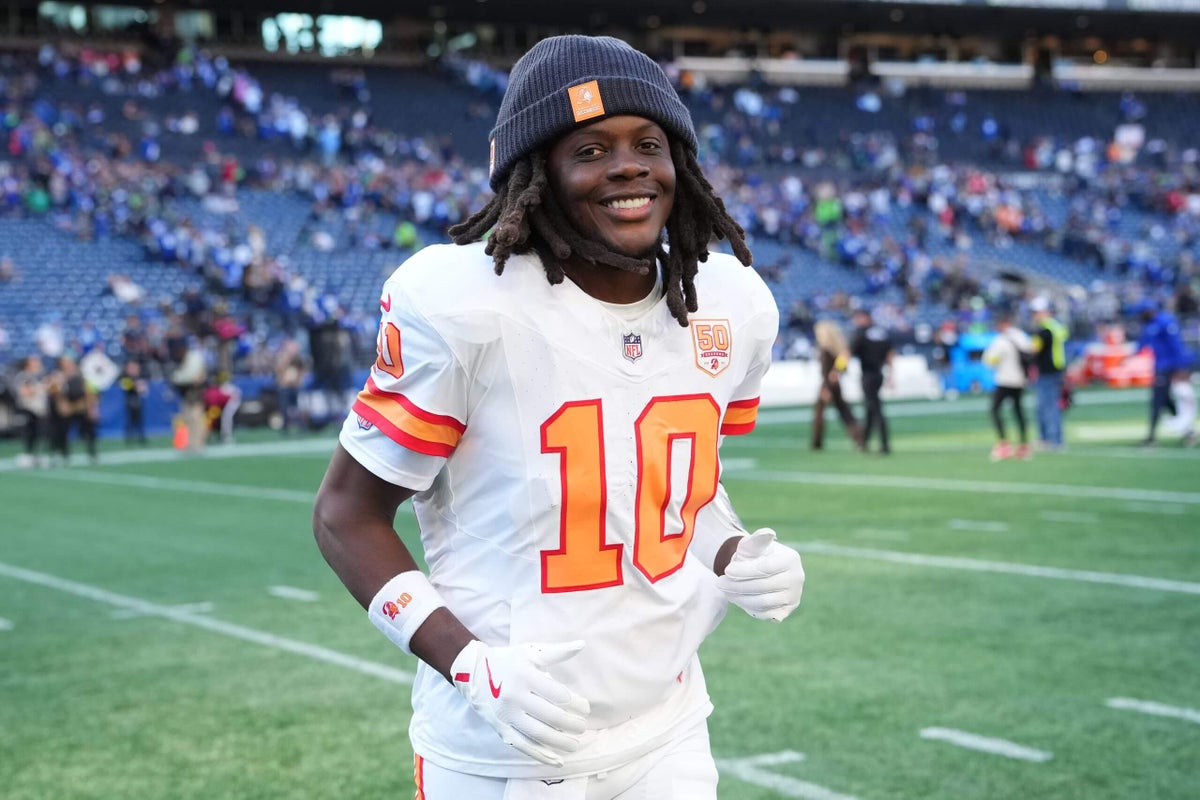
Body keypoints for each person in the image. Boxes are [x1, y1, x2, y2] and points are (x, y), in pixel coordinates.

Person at [313, 35, 805, 800]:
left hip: (669, 723)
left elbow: (680, 494)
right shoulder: (467, 305)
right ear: (535, 174)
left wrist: (732, 550)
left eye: (649, 143)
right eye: (590, 149)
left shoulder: (729, 302)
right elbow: (346, 516)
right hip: (507, 744)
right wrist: (469, 662)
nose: (629, 166)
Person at [1135, 303, 1196, 446]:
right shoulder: (1150, 325)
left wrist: (1181, 367)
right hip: (1160, 366)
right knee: (1166, 401)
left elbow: (1176, 345)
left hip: (1169, 367)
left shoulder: (1165, 322)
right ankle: (1188, 432)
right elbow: (1143, 343)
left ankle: (1151, 438)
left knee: (1157, 401)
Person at [982, 310, 1033, 461]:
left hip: (1005, 380)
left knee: (995, 410)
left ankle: (1004, 444)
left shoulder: (1001, 340)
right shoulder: (1022, 337)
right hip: (1020, 380)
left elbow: (989, 360)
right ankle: (1024, 445)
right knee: (1018, 411)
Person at [810, 319, 862, 451]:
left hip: (828, 383)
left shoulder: (826, 349)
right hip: (834, 383)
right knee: (844, 411)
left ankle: (817, 442)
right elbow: (843, 363)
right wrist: (837, 372)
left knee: (820, 413)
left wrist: (827, 386)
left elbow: (829, 371)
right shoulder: (837, 348)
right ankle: (859, 438)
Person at [851, 307, 894, 454]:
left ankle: (885, 443)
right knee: (870, 408)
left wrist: (837, 370)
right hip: (879, 374)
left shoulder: (861, 333)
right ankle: (864, 442)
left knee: (875, 408)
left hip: (868, 375)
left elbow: (847, 353)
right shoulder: (881, 332)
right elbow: (890, 354)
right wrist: (891, 375)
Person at [1028, 296, 1068, 451]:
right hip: (1056, 370)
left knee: (1047, 406)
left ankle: (1052, 439)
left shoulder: (1045, 330)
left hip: (1048, 371)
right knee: (1048, 406)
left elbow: (1034, 349)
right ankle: (1052, 438)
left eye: (1036, 312)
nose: (1034, 316)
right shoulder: (1056, 326)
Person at [12, 355, 49, 468]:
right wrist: (40, 386)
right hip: (28, 409)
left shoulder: (41, 376)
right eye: (35, 362)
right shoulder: (23, 376)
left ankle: (37, 455)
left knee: (40, 433)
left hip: (40, 410)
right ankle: (27, 455)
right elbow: (26, 392)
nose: (38, 364)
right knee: (29, 434)